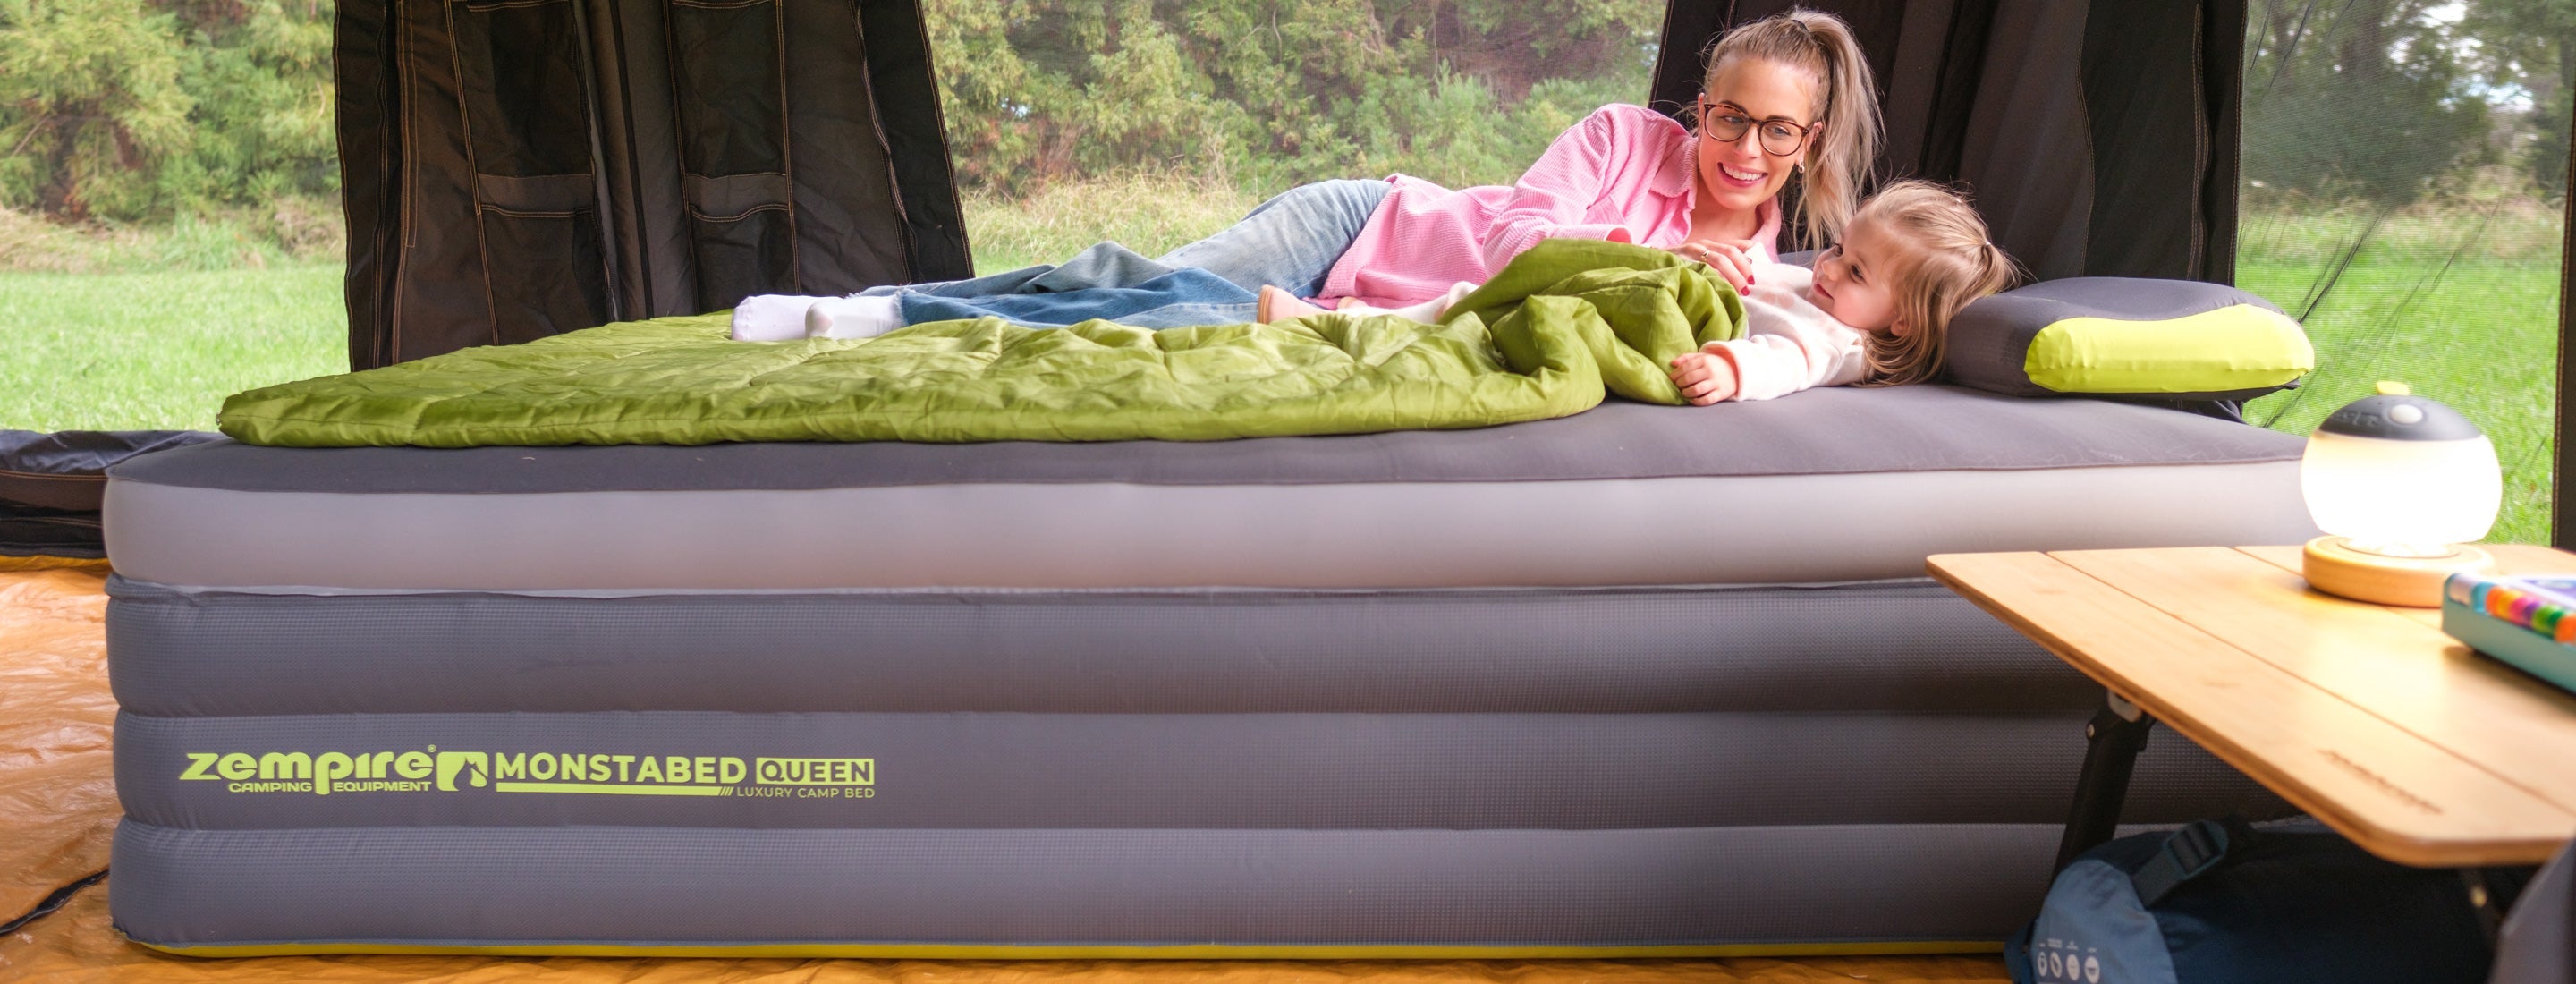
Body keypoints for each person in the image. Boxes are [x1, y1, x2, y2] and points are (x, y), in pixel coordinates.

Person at [735, 8, 1882, 342]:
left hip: (1354, 311)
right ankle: (880, 310)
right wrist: (1666, 252)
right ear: (1701, 106)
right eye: (1728, 115)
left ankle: (897, 318)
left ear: (1810, 140)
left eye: (1777, 132)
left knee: (1155, 315)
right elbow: (1521, 246)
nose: (1743, 148)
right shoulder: (1620, 136)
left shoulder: (1768, 260)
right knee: (1122, 273)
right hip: (1356, 226)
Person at [1278, 181, 2016, 403]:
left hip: (1656, 333)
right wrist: (1719, 265)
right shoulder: (1818, 289)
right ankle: (1336, 321)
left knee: (1480, 323)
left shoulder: (1841, 342)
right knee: (1485, 298)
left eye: (1856, 273)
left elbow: (1788, 362)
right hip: (1651, 293)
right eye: (1837, 249)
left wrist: (1730, 370)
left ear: (1901, 327)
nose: (1826, 269)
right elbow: (1765, 276)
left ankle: (1343, 329)